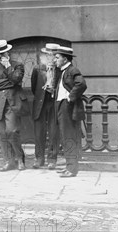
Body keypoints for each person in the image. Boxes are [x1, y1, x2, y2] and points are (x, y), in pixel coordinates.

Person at [0, 39, 27, 171]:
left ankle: (20, 159)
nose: (1, 57)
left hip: (13, 103)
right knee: (2, 133)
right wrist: (10, 82)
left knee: (12, 131)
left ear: (7, 52)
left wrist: (8, 68)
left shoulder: (18, 65)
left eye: (3, 54)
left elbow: (17, 78)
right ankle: (8, 161)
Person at [53, 46, 87, 178]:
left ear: (65, 58)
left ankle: (72, 169)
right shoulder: (63, 71)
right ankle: (69, 166)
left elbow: (82, 84)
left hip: (68, 107)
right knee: (65, 136)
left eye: (57, 58)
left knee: (69, 137)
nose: (55, 60)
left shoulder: (72, 70)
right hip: (62, 107)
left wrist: (70, 97)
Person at [30, 43, 61, 170]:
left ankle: (52, 159)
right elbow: (33, 87)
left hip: (54, 103)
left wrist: (53, 90)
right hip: (40, 104)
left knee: (53, 132)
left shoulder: (60, 69)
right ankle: (39, 159)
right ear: (45, 55)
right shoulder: (38, 68)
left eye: (54, 55)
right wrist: (42, 93)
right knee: (39, 132)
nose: (51, 57)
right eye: (48, 54)